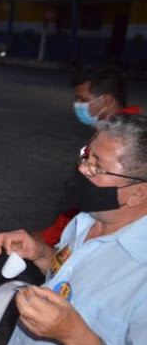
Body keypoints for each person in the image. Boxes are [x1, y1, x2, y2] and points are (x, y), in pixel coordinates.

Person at [0, 113, 147, 345]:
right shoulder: (85, 220)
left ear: (138, 193)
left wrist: (74, 336)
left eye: (96, 166)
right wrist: (41, 254)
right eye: (86, 157)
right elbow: (72, 276)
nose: (82, 169)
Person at [33, 68, 141, 247]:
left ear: (106, 100)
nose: (77, 105)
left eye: (83, 100)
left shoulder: (122, 143)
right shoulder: (110, 133)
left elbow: (91, 199)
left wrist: (49, 238)